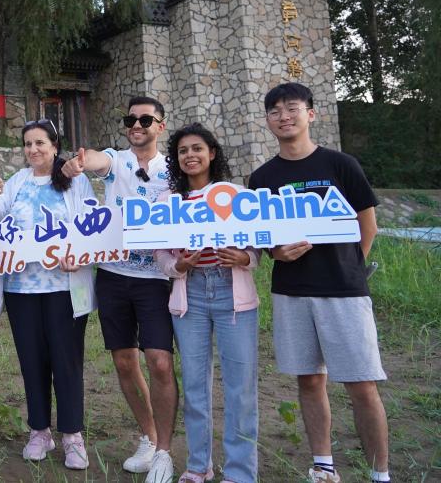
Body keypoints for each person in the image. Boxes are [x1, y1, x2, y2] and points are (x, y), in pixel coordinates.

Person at [248, 83, 389, 483]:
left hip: (344, 291)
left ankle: (380, 473)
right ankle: (323, 465)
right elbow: (263, 236)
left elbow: (367, 224)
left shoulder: (341, 165)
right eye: (274, 111)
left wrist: (350, 266)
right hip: (292, 292)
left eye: (291, 108)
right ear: (267, 121)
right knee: (309, 380)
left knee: (361, 385)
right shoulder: (262, 178)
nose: (284, 116)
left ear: (310, 113)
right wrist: (276, 252)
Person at [63, 95, 178, 483]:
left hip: (156, 278)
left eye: (146, 120)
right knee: (125, 361)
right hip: (112, 275)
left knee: (159, 361)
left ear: (160, 125)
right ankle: (149, 437)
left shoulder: (172, 168)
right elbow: (98, 160)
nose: (137, 126)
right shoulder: (117, 160)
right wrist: (82, 161)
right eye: (131, 120)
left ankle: (165, 451)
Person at [0, 119, 97, 470]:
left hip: (64, 288)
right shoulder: (16, 182)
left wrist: (81, 255)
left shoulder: (76, 181)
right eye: (28, 144)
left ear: (54, 146)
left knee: (67, 362)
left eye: (40, 143)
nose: (33, 149)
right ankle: (39, 431)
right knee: (32, 361)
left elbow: (92, 224)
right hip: (21, 289)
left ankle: (72, 436)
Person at [154, 124, 260, 483]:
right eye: (183, 151)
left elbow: (258, 244)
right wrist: (179, 266)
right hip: (191, 295)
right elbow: (160, 253)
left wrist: (245, 258)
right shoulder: (168, 202)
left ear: (212, 153)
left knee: (240, 387)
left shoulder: (236, 195)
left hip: (233, 294)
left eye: (197, 148)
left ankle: (240, 472)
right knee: (195, 386)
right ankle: (198, 466)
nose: (190, 156)